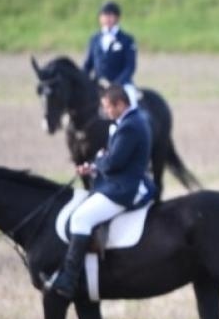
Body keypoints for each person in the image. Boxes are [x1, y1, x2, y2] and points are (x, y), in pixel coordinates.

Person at [49, 84, 157, 299]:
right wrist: (94, 166)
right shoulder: (126, 122)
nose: (106, 112)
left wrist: (98, 161)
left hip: (122, 188)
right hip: (115, 182)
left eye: (108, 107)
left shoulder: (130, 126)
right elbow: (112, 158)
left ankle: (69, 278)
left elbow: (114, 162)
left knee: (80, 217)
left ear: (120, 104)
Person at [82, 0, 141, 108]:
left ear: (117, 18)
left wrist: (115, 84)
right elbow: (88, 65)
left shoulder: (127, 39)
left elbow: (130, 66)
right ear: (100, 18)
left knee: (132, 100)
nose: (107, 19)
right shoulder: (94, 39)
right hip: (98, 84)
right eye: (104, 15)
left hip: (122, 84)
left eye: (111, 15)